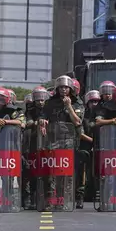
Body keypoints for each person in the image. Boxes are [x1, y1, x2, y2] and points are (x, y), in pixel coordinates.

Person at [38, 76, 84, 211]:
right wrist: (42, 121)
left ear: (70, 89)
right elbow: (43, 115)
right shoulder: (50, 103)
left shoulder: (77, 103)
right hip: (52, 140)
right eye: (61, 87)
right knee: (50, 172)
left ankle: (63, 199)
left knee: (64, 173)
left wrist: (68, 106)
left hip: (68, 141)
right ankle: (50, 200)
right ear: (57, 89)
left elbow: (77, 122)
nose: (63, 90)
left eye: (66, 87)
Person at [22, 86, 49, 209]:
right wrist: (37, 122)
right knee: (32, 172)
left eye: (42, 99)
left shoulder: (50, 108)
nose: (40, 102)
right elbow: (27, 122)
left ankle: (47, 198)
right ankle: (31, 198)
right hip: (32, 144)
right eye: (37, 99)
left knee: (47, 173)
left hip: (47, 144)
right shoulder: (30, 109)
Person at [76, 90, 101, 208]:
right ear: (87, 103)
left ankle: (98, 193)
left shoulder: (101, 115)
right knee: (82, 172)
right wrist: (93, 141)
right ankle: (80, 196)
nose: (94, 104)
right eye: (92, 101)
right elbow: (80, 133)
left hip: (100, 148)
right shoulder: (83, 116)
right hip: (85, 148)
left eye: (97, 101)